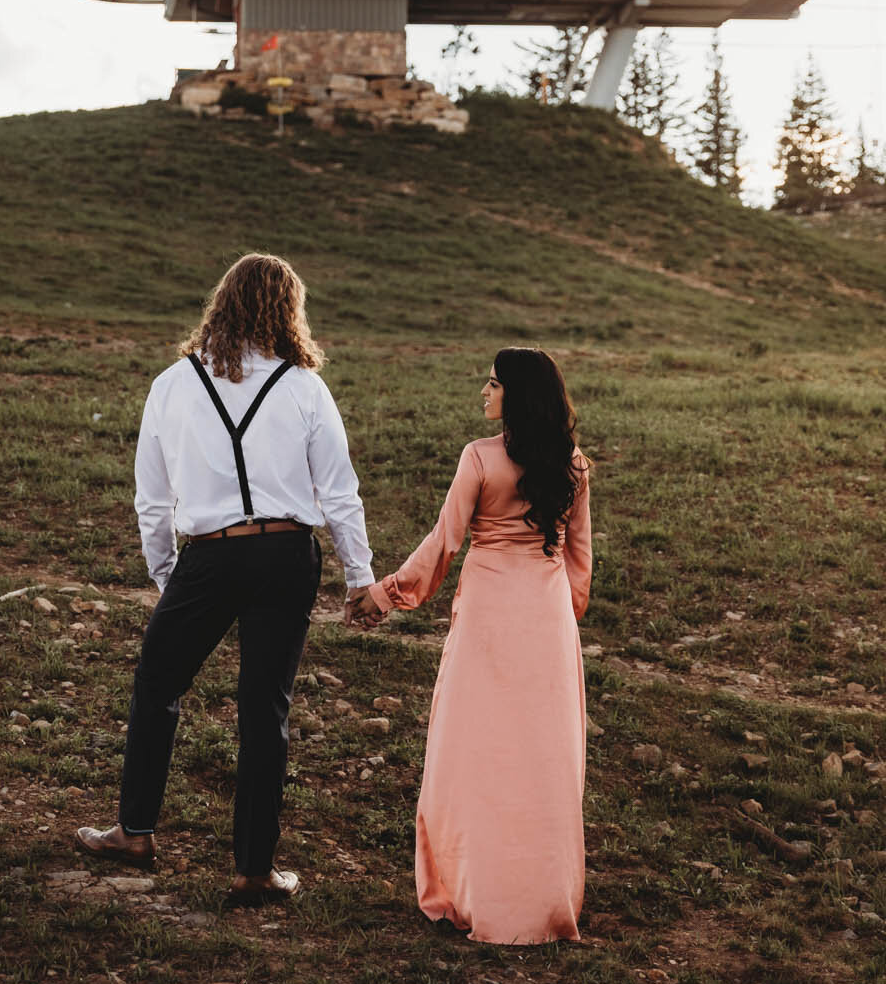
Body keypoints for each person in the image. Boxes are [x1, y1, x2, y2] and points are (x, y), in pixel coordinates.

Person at [76, 252, 378, 904]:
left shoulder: (172, 384)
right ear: (286, 311)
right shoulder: (303, 387)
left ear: (223, 303)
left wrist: (166, 573)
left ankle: (134, 832)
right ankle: (252, 870)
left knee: (157, 684)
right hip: (286, 556)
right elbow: (340, 493)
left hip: (208, 556)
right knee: (263, 710)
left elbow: (149, 497)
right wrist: (360, 577)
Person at [347, 348, 591, 944]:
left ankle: (469, 893)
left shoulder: (479, 459)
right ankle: (542, 903)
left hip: (488, 615)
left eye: (492, 383)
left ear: (516, 395)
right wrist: (560, 618)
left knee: (474, 751)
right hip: (547, 617)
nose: (483, 391)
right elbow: (579, 562)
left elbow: (445, 541)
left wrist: (387, 594)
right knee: (541, 755)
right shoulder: (576, 466)